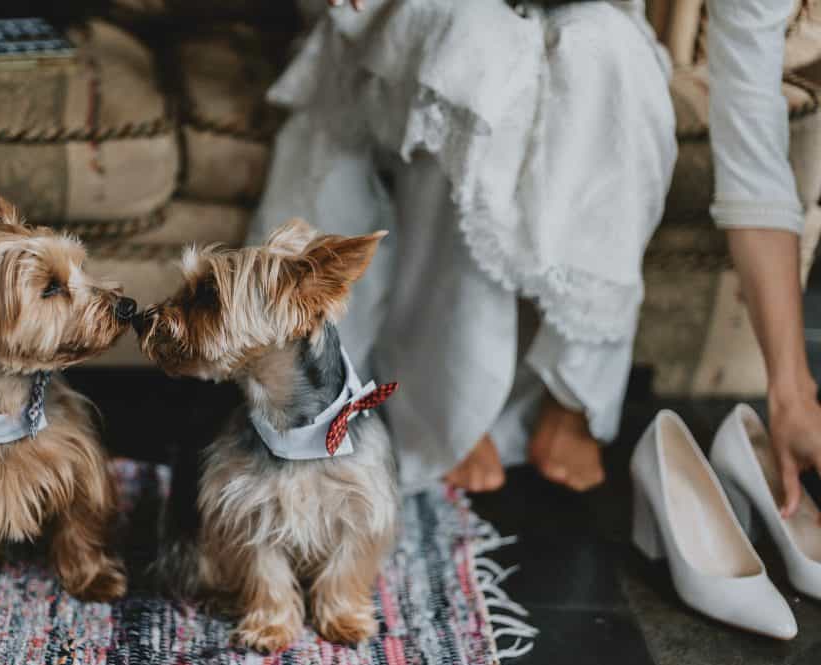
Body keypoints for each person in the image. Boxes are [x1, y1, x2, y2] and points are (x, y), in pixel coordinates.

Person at [251, 0, 821, 516]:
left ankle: (569, 397)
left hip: (579, 35)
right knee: (473, 39)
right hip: (409, 27)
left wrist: (793, 395)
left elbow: (755, 160)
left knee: (612, 51)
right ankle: (450, 390)